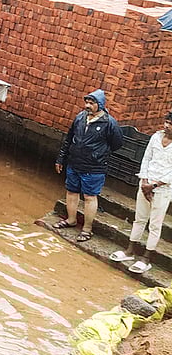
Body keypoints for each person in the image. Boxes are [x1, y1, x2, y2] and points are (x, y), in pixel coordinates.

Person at [54, 89, 123, 243]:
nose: (88, 106)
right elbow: (69, 138)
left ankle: (87, 228)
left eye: (92, 103)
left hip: (94, 167)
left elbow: (117, 144)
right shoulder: (80, 117)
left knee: (89, 197)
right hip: (75, 163)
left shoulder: (109, 123)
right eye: (87, 102)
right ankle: (71, 219)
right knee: (71, 192)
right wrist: (61, 159)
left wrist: (98, 153)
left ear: (100, 104)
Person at [111, 113, 172, 273]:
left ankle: (146, 258)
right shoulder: (156, 137)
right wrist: (144, 182)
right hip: (145, 184)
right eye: (166, 122)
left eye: (170, 124)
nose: (167, 126)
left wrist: (154, 185)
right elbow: (146, 159)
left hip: (163, 189)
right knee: (139, 219)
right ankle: (129, 251)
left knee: (155, 225)